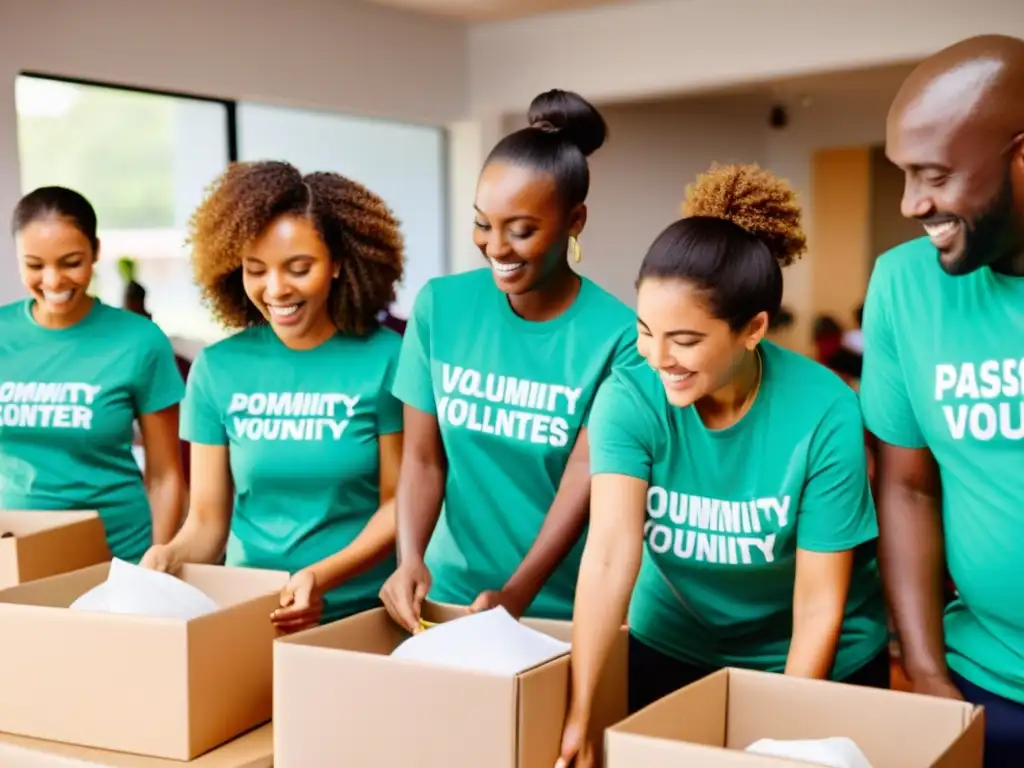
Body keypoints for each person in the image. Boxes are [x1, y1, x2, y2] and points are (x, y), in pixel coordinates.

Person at [557, 163, 889, 768]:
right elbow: (608, 557)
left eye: (684, 340)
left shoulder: (825, 411)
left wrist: (781, 741)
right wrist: (582, 710)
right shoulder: (630, 397)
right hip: (675, 645)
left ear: (754, 328)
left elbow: (818, 603)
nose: (659, 358)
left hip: (812, 656)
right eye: (645, 331)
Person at [378, 89, 641, 630]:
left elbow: (584, 477)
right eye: (483, 224)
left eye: (521, 230)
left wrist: (515, 596)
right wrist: (410, 559)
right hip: (449, 597)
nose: (496, 247)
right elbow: (424, 460)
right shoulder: (440, 307)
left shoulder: (620, 336)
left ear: (575, 221)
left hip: (563, 610)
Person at [140, 161, 406, 632]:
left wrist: (320, 578)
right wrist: (170, 554)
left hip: (359, 614)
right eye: (256, 270)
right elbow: (206, 520)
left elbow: (397, 504)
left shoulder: (388, 360)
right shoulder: (217, 369)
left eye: (299, 268)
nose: (276, 289)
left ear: (340, 262)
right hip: (251, 612)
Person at [860, 34, 1024, 766]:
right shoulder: (902, 285)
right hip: (980, 681)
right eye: (903, 174)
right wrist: (925, 670)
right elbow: (909, 488)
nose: (910, 203)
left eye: (934, 175)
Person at [0, 186, 185, 562]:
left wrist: (156, 562)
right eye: (35, 265)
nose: (53, 281)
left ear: (96, 251)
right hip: (16, 553)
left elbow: (166, 476)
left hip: (120, 557)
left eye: (70, 262)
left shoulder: (140, 341)